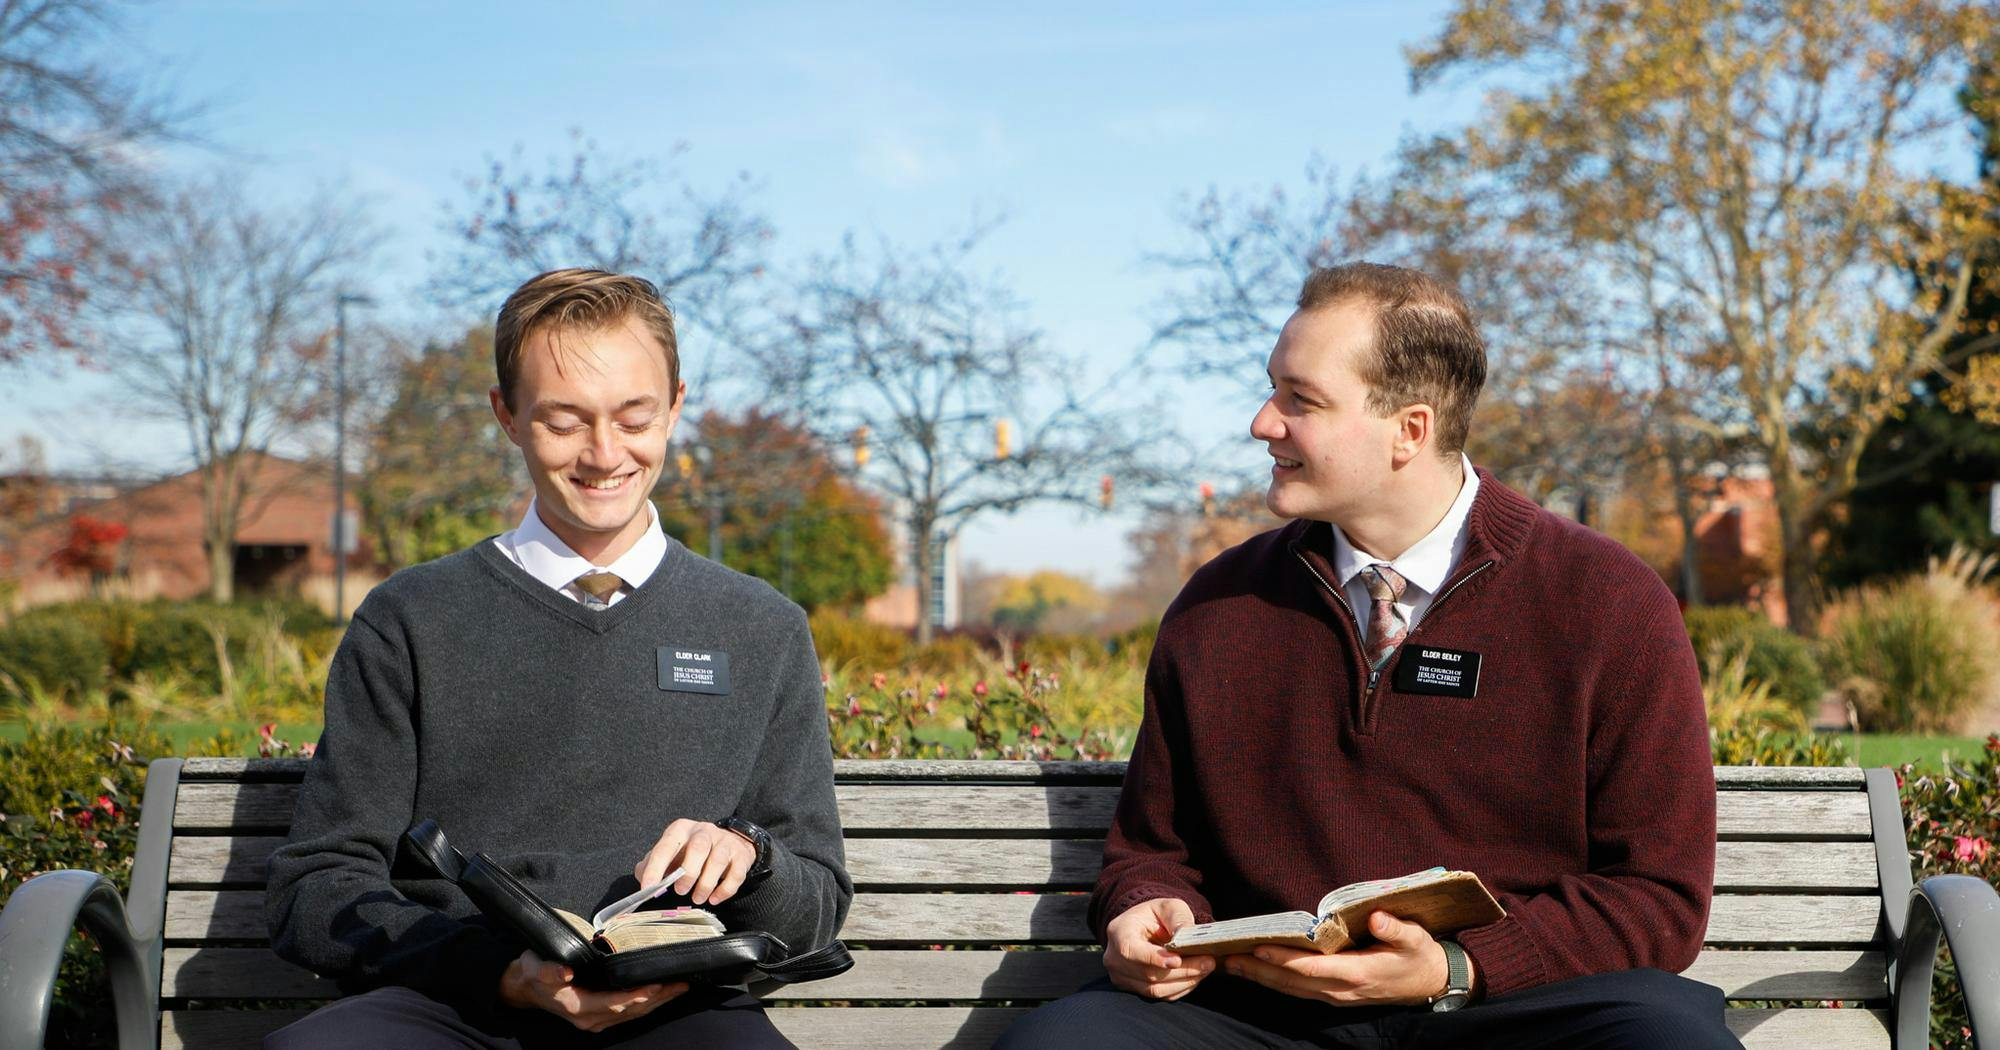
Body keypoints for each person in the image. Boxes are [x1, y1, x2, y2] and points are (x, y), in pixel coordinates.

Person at [998, 262, 1736, 1049]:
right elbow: (1153, 851)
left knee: (1669, 1039)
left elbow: (1657, 898)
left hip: (1507, 1011)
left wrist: (1454, 967)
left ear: (1409, 431)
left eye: (1301, 400)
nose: (1262, 423)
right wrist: (1145, 905)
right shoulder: (1218, 606)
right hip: (1259, 1014)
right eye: (1272, 390)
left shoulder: (1609, 601)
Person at [264, 268, 849, 1049]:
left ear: (676, 406)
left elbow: (815, 906)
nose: (604, 454)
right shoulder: (410, 619)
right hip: (455, 1000)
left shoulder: (763, 628)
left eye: (634, 417)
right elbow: (316, 887)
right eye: (563, 421)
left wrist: (752, 860)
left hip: (682, 1012)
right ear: (506, 416)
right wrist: (494, 969)